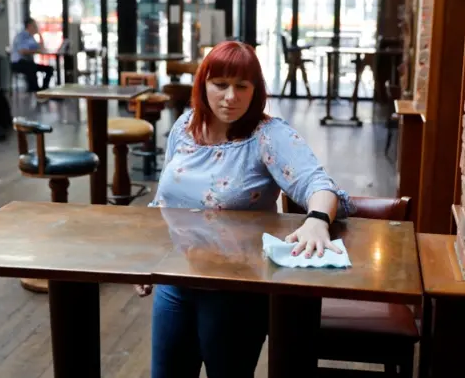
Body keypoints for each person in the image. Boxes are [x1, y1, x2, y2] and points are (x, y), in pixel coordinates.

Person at [137, 40, 353, 378]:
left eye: (242, 86)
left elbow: (319, 185)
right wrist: (146, 258)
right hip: (175, 281)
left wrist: (316, 220)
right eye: (220, 85)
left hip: (234, 290)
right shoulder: (185, 126)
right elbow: (165, 200)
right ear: (203, 84)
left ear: (256, 90)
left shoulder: (267, 135)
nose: (230, 96)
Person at [10, 17, 54, 93]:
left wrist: (40, 35)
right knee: (31, 67)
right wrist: (35, 51)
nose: (36, 27)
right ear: (29, 25)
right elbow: (22, 51)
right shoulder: (21, 36)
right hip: (18, 63)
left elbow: (41, 48)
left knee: (49, 69)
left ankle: (44, 90)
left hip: (28, 62)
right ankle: (34, 90)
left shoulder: (31, 37)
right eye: (35, 25)